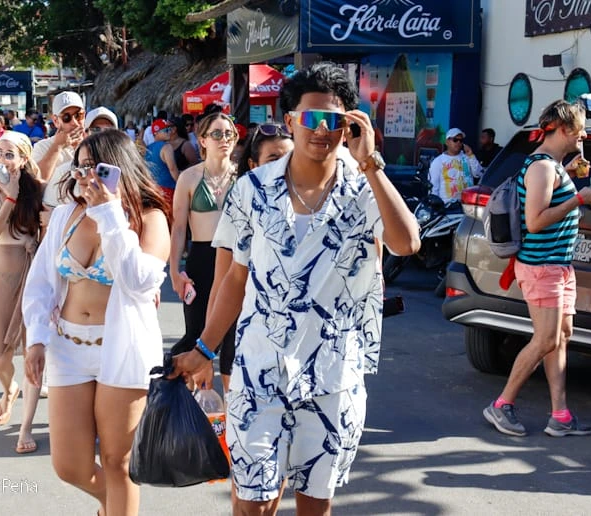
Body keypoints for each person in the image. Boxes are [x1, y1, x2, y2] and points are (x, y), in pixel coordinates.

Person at [170, 62, 420, 515]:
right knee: (254, 503)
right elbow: (234, 279)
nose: (322, 130)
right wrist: (204, 350)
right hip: (259, 369)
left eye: (335, 120)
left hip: (333, 376)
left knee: (315, 505)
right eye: (311, 118)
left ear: (351, 125)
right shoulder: (253, 189)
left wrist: (371, 163)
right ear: (290, 121)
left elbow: (407, 243)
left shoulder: (366, 189)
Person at [22, 129, 171, 516]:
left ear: (120, 169)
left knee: (118, 462)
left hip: (122, 351)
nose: (86, 176)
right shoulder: (65, 215)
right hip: (69, 348)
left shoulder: (150, 219)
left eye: (96, 167)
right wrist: (36, 338)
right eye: (81, 167)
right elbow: (40, 281)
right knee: (69, 465)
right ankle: (116, 506)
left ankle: (119, 506)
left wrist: (109, 212)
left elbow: (139, 281)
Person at [483, 100, 591, 438]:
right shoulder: (541, 166)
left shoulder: (551, 166)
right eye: (580, 129)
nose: (583, 135)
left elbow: (548, 195)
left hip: (558, 266)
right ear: (565, 129)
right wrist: (580, 199)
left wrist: (568, 175)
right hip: (541, 267)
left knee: (561, 338)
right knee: (545, 339)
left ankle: (561, 415)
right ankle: (501, 405)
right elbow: (535, 222)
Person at [205, 123, 295, 392]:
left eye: (290, 159)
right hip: (246, 334)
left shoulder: (316, 210)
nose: (283, 167)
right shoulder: (242, 208)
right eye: (273, 159)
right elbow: (222, 283)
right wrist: (206, 350)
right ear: (254, 164)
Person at [0, 131, 44, 454]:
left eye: (9, 154)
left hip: (33, 270)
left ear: (24, 158)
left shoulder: (38, 190)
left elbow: (49, 227)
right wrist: (9, 198)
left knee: (33, 353)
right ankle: (8, 388)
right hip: (0, 270)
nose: (1, 159)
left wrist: (37, 240)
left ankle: (25, 426)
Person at [168, 113, 238, 379]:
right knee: (196, 334)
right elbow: (178, 228)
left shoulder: (243, 176)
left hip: (236, 259)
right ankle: (188, 404)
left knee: (232, 335)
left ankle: (232, 410)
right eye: (217, 134)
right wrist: (175, 270)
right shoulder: (189, 178)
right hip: (201, 258)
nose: (224, 140)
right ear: (203, 140)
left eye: (229, 134)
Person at [34, 91, 86, 205]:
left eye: (78, 115)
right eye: (67, 117)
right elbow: (37, 181)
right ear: (56, 121)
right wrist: (57, 146)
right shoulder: (42, 147)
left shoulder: (92, 145)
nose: (75, 122)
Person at [428, 128, 482, 204]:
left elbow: (478, 174)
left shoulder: (467, 157)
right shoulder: (438, 161)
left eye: (461, 140)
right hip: (447, 205)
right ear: (447, 142)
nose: (458, 143)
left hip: (467, 204)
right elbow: (433, 186)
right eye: (455, 140)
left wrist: (471, 155)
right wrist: (435, 204)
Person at [144, 118, 181, 204]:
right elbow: (173, 169)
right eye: (165, 130)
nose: (169, 132)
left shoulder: (147, 148)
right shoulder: (166, 147)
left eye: (169, 129)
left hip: (152, 190)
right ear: (156, 133)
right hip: (167, 189)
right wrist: (181, 184)